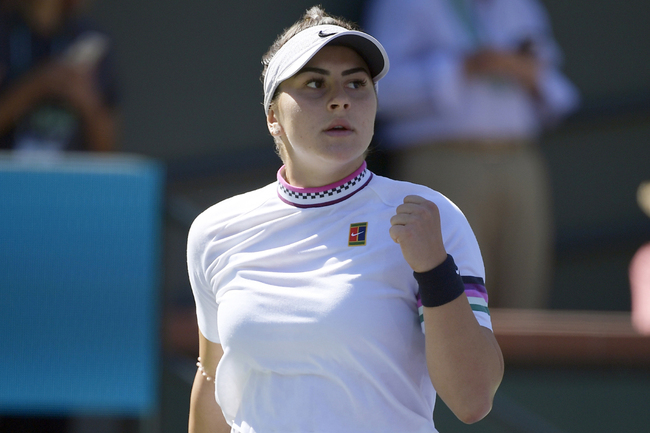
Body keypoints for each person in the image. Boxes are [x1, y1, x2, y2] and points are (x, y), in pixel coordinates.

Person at [187, 6, 503, 433]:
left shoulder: (432, 217)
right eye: (315, 84)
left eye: (356, 83)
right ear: (273, 117)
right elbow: (213, 379)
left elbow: (473, 398)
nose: (341, 99)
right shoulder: (214, 231)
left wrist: (434, 266)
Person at [363, 0, 580, 308]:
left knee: (524, 294)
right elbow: (378, 88)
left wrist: (521, 69)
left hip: (520, 158)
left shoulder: (518, 5)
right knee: (457, 299)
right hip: (444, 159)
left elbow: (553, 85)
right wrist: (465, 66)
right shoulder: (402, 4)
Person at [0, 0, 119, 153]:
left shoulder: (89, 38)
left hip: (70, 173)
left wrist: (86, 101)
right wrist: (36, 87)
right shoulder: (6, 31)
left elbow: (109, 154)